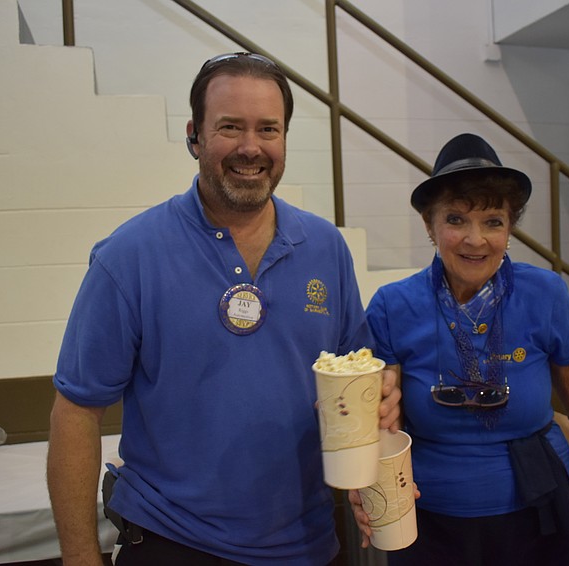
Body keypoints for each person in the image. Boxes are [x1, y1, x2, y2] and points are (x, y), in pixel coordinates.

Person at [46, 52, 401, 566]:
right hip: (174, 544)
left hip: (311, 545)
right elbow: (76, 413)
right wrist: (81, 559)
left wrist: (370, 452)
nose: (251, 148)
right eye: (230, 127)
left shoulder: (325, 248)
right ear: (195, 135)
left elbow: (354, 391)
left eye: (268, 129)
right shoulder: (129, 257)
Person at [350, 133, 569, 566]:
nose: (475, 239)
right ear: (430, 226)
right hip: (428, 518)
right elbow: (381, 415)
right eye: (455, 220)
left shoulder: (544, 294)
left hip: (537, 510)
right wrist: (365, 481)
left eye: (493, 221)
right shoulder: (395, 306)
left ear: (509, 228)